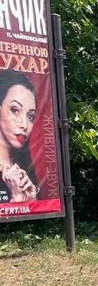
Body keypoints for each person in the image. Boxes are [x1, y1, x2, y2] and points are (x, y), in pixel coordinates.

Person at [0, 70, 39, 204]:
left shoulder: (26, 173)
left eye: (30, 117)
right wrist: (16, 201)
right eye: (15, 110)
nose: (24, 125)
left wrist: (31, 201)